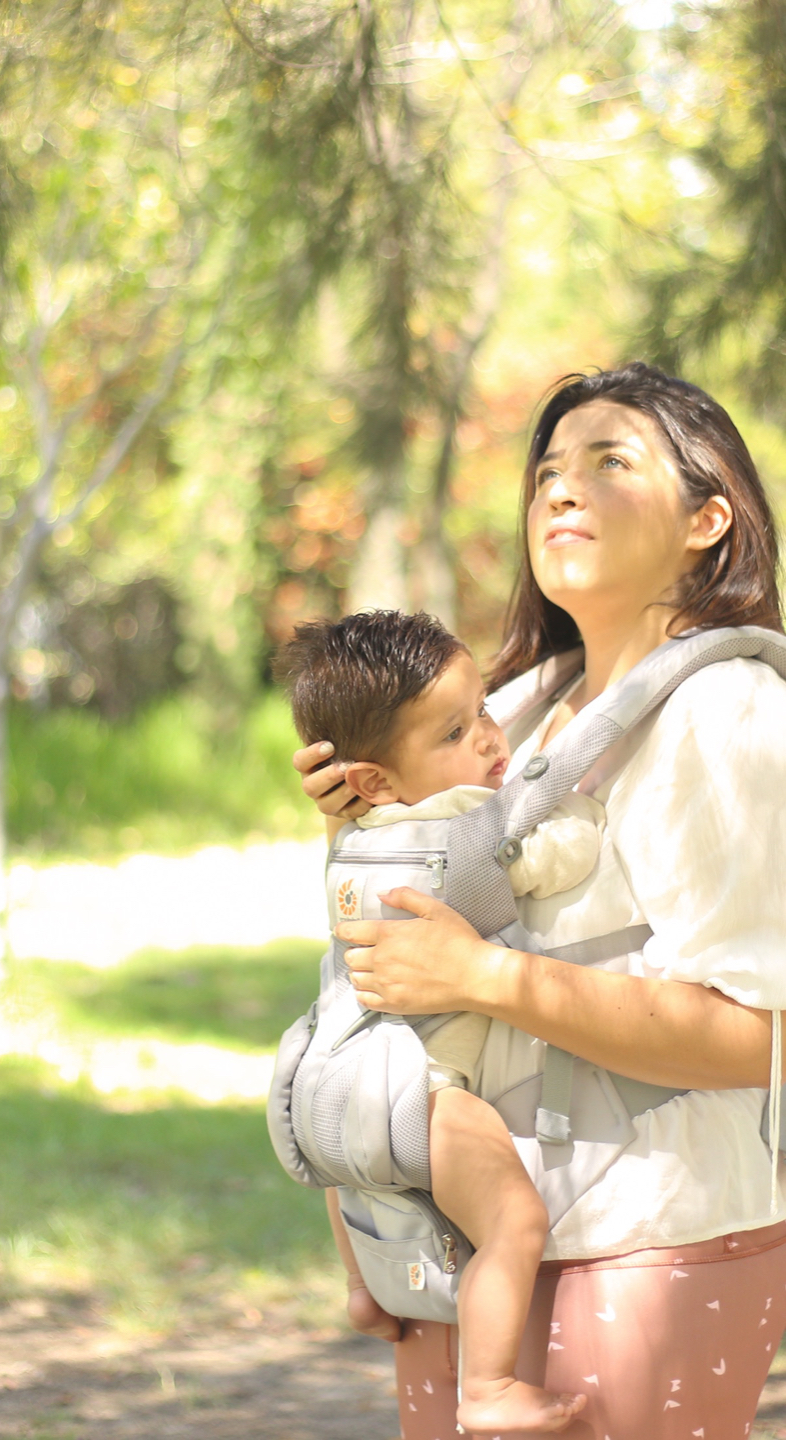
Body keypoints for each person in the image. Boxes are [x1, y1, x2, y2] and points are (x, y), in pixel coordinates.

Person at [292, 362, 786, 1440]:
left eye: (609, 462)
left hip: (644, 1242)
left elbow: (760, 1039)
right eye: (548, 470)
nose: (561, 489)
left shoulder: (728, 715)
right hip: (456, 1247)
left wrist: (486, 978)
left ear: (706, 520)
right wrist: (367, 833)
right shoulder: (514, 708)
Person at [278, 608, 605, 1434]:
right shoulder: (462, 829)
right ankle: (488, 1386)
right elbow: (563, 853)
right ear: (374, 778)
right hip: (420, 1090)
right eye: (455, 732)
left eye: (483, 710)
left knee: (355, 1173)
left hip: (323, 1079)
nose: (491, 739)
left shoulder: (352, 839)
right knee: (513, 1221)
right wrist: (584, 808)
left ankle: (362, 1288)